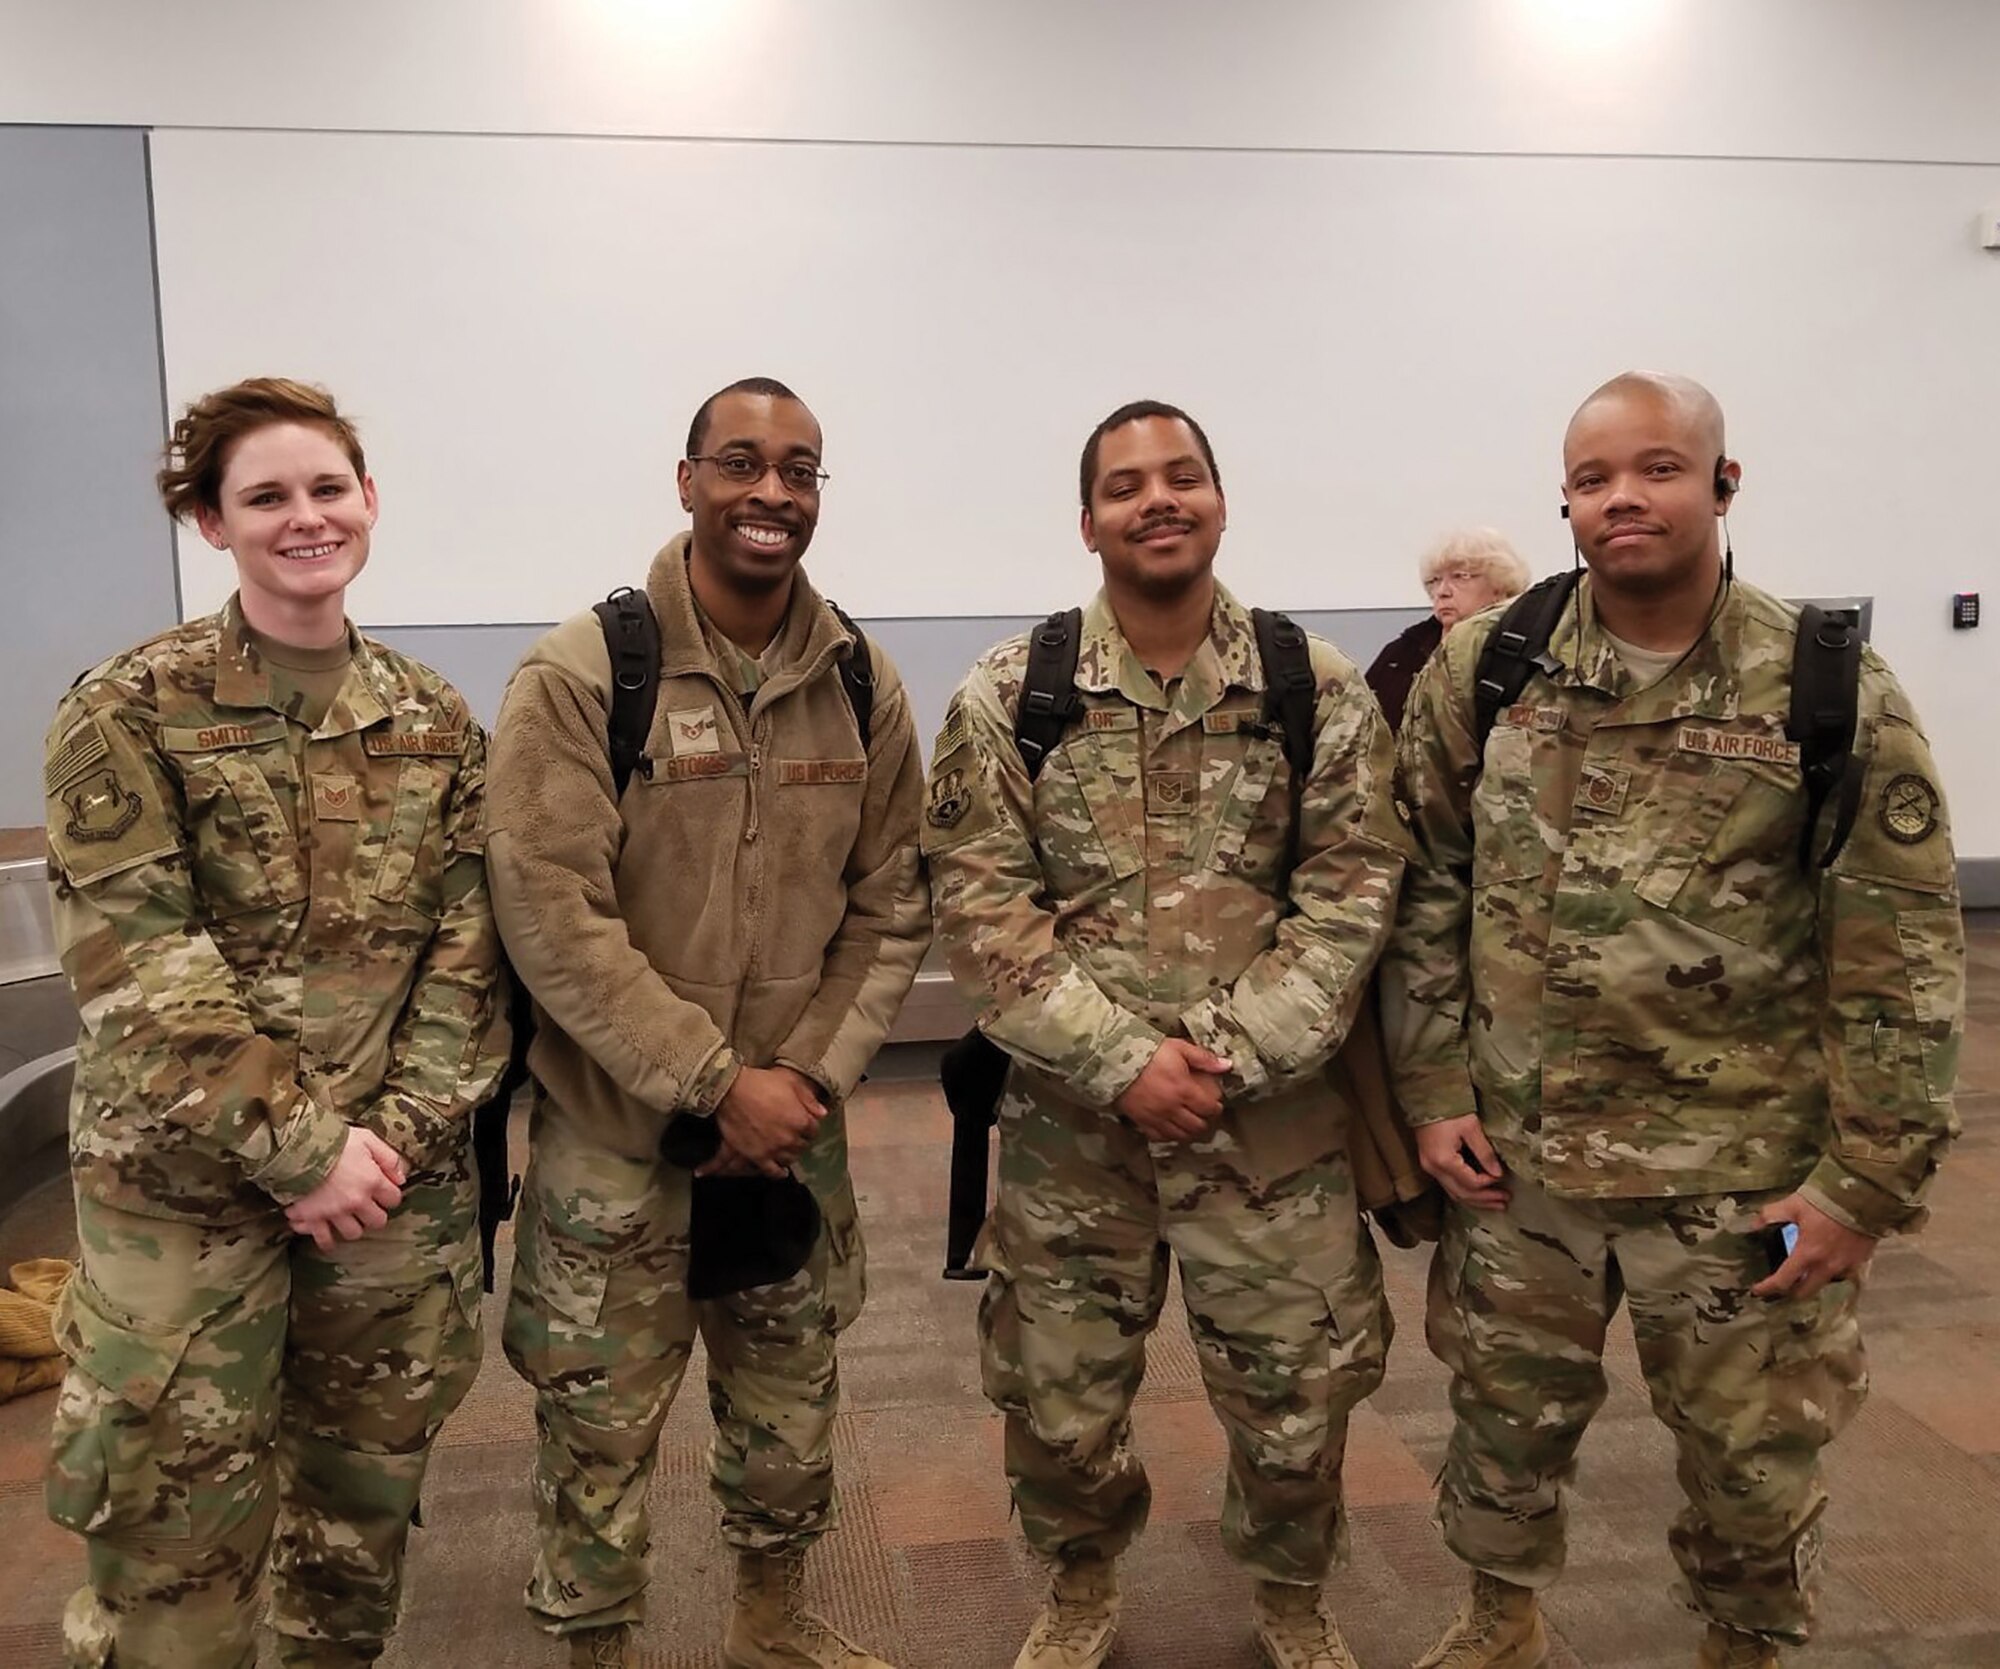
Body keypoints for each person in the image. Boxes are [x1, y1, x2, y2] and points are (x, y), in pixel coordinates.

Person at [1385, 372, 1964, 1669]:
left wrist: (1865, 1185)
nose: (1621, 499)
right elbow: (1420, 885)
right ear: (1567, 500)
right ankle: (1500, 1628)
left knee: (1754, 1463)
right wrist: (1432, 1092)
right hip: (1521, 1172)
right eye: (1592, 479)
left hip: (1741, 1181)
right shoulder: (1492, 667)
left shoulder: (1826, 687)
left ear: (1722, 483)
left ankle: (1742, 1648)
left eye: (1654, 469)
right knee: (1500, 1434)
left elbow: (1903, 954)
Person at [924, 400, 1409, 1669]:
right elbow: (981, 913)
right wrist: (1124, 1064)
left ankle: (1292, 1596)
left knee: (1297, 1398)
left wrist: (1229, 1057)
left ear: (1219, 500)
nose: (1157, 500)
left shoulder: (1311, 686)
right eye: (1126, 485)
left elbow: (1354, 892)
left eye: (1181, 477)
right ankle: (1080, 1582)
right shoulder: (1009, 692)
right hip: (1072, 1138)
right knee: (1059, 1398)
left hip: (1274, 1130)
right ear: (1086, 520)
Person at [41, 377, 509, 1667]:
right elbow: (143, 966)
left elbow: (468, 961)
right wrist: (307, 1151)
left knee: (355, 1538)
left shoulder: (433, 719)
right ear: (211, 523)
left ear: (367, 500)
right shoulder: (129, 707)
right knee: (171, 1551)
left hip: (385, 1196)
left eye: (327, 488)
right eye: (265, 497)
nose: (306, 518)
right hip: (182, 1198)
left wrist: (387, 1149)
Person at [486, 377, 930, 1669]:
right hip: (618, 1141)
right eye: (741, 463)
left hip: (794, 1131)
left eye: (799, 470)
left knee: (790, 1417)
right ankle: (596, 1655)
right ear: (686, 481)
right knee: (597, 1433)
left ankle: (770, 1629)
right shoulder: (586, 671)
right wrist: (708, 1080)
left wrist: (800, 1080)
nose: (772, 493)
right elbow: (549, 910)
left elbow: (895, 902)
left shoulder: (857, 677)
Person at [1363, 529, 1531, 730]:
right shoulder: (1401, 654)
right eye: (1434, 581)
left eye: (1460, 576)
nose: (1442, 591)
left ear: (1499, 587)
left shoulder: (1523, 652)